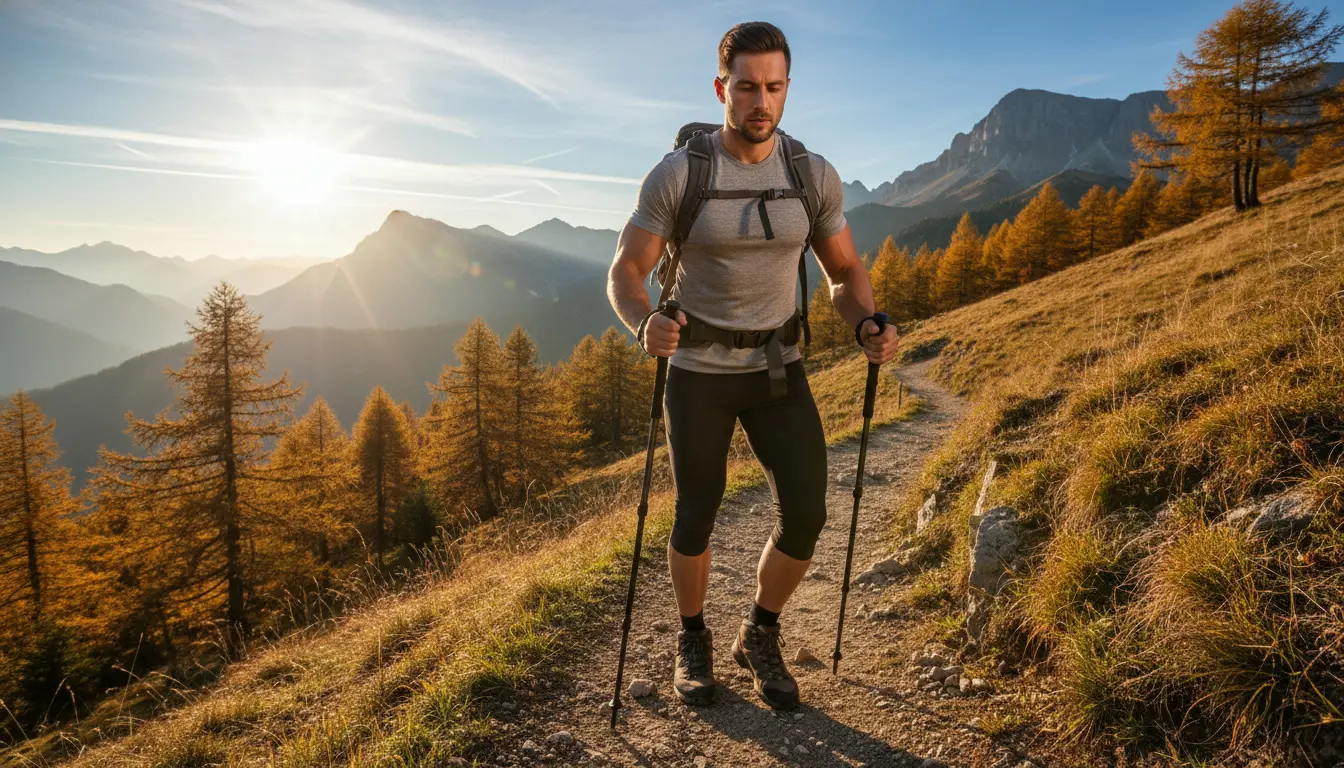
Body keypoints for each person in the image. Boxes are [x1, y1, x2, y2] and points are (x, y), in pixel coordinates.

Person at [606, 20, 899, 711]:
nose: (759, 102)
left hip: (778, 369)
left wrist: (866, 322)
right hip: (699, 373)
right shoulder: (682, 173)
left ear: (787, 89)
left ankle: (758, 632)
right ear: (721, 89)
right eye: (745, 88)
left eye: (773, 87)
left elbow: (845, 270)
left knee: (806, 511)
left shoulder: (810, 175)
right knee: (696, 513)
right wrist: (643, 319)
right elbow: (627, 268)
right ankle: (692, 636)